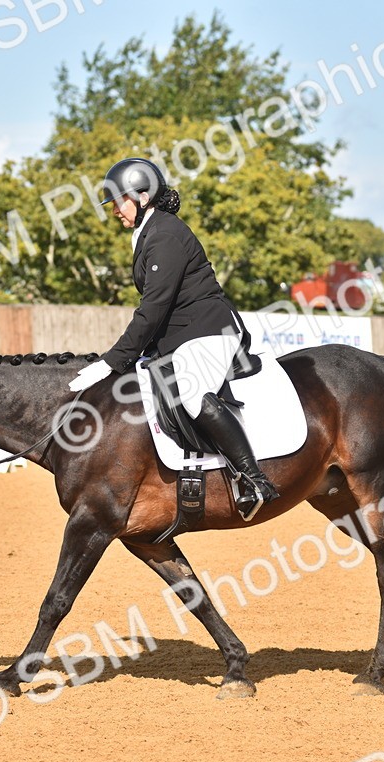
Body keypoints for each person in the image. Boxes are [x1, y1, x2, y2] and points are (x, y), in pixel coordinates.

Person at [67, 157, 279, 517]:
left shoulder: (164, 234)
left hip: (209, 328)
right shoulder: (149, 232)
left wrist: (112, 361)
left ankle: (253, 478)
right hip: (180, 335)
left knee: (194, 394)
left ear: (143, 196)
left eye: (119, 201)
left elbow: (154, 308)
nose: (115, 211)